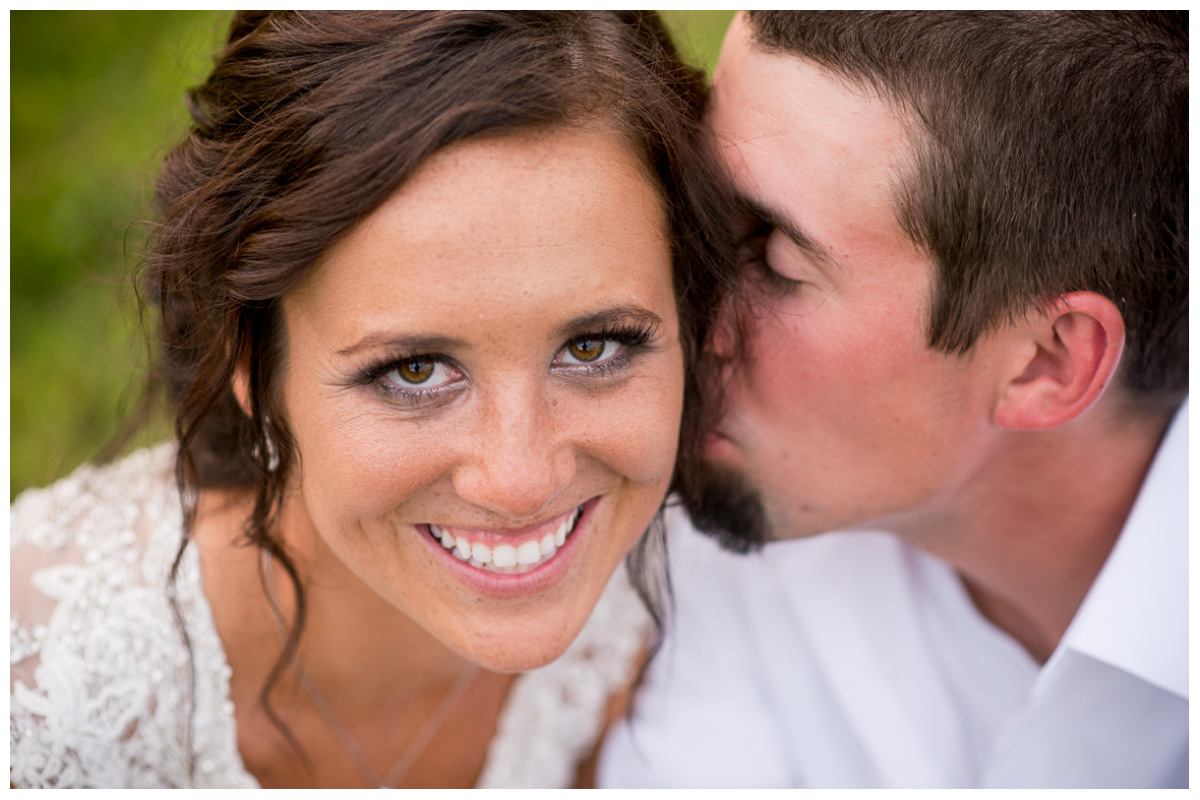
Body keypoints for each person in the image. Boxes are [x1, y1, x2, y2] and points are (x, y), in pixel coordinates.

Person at [10, 11, 741, 788]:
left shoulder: (691, 606)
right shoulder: (33, 696)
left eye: (593, 347)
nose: (522, 480)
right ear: (252, 366)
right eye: (417, 371)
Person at [600, 10, 1187, 788]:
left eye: (774, 256)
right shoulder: (734, 530)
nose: (683, 310)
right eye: (701, 213)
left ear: (1044, 363)